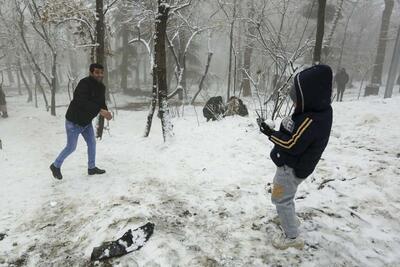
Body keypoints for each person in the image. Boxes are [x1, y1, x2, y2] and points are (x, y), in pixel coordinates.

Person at [259, 64, 333, 250]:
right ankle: (287, 217)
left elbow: (292, 145)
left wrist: (270, 133)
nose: (294, 105)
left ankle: (291, 236)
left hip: (290, 168)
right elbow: (297, 133)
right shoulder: (317, 111)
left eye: (296, 101)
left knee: (281, 199)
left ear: (310, 98)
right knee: (283, 196)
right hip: (291, 166)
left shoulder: (311, 120)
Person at [50, 63, 112, 180]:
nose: (100, 75)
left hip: (86, 122)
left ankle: (91, 168)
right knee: (71, 147)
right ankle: (55, 165)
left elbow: (101, 103)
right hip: (74, 121)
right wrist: (99, 110)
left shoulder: (101, 87)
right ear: (91, 72)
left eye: (101, 72)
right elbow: (81, 101)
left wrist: (106, 113)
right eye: (97, 72)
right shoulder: (84, 84)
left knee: (92, 143)